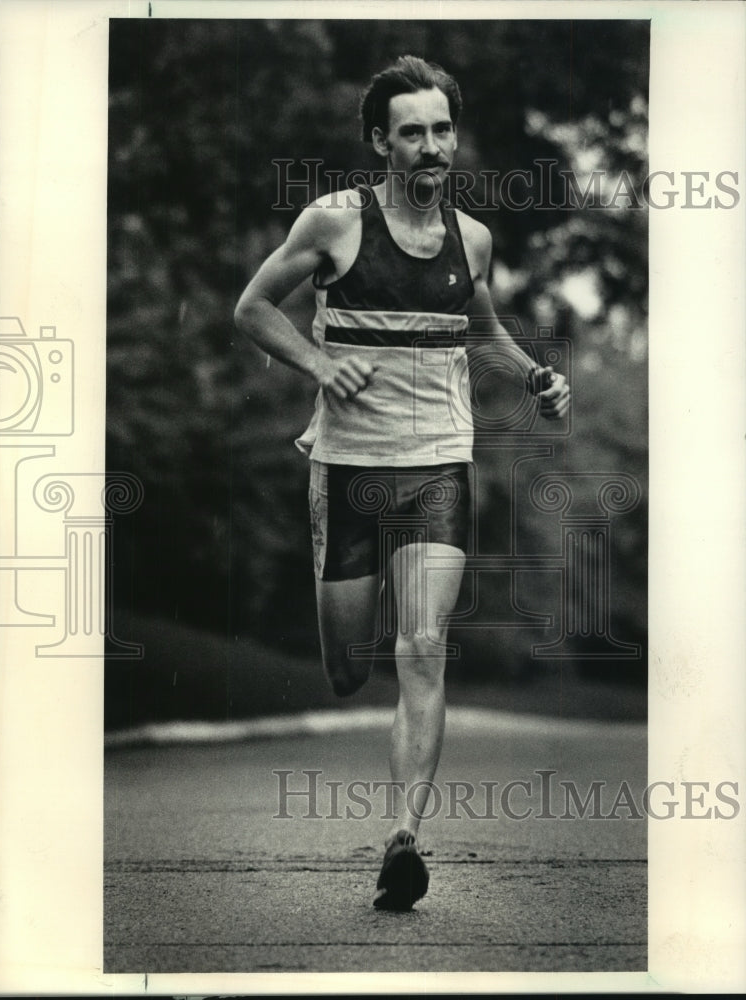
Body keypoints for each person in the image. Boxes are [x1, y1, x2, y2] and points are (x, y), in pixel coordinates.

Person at [234, 55, 570, 911]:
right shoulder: (334, 224)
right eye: (411, 132)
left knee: (422, 648)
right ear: (380, 141)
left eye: (441, 130)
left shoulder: (473, 239)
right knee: (349, 667)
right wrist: (317, 362)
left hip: (436, 465)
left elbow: (482, 329)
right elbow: (252, 307)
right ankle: (346, 605)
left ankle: (404, 840)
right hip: (347, 467)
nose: (430, 147)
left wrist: (535, 377)